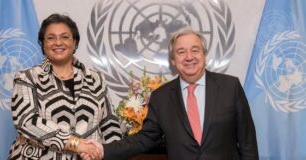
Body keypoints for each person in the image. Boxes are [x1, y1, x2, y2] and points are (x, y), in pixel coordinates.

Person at [81, 26, 259, 160]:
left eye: (195, 50)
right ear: (173, 60)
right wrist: (103, 149)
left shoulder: (231, 87)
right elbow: (144, 139)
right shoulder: (161, 97)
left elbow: (247, 142)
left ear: (204, 55)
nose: (189, 57)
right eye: (181, 52)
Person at [8, 13, 122, 159]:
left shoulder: (96, 78)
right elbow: (27, 122)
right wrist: (77, 144)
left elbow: (110, 123)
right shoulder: (26, 77)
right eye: (51, 38)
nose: (58, 43)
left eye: (65, 37)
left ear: (74, 42)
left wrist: (103, 152)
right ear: (43, 44)